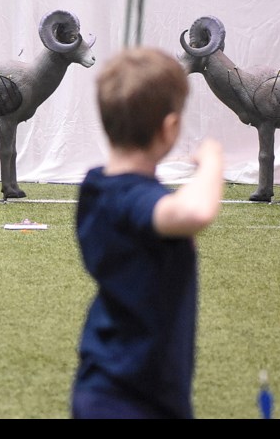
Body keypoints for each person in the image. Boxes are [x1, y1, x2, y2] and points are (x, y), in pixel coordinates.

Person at [70, 47, 224, 419]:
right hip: (130, 398)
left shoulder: (95, 188)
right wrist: (213, 159)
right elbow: (195, 211)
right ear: (170, 128)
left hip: (110, 386)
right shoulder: (132, 199)